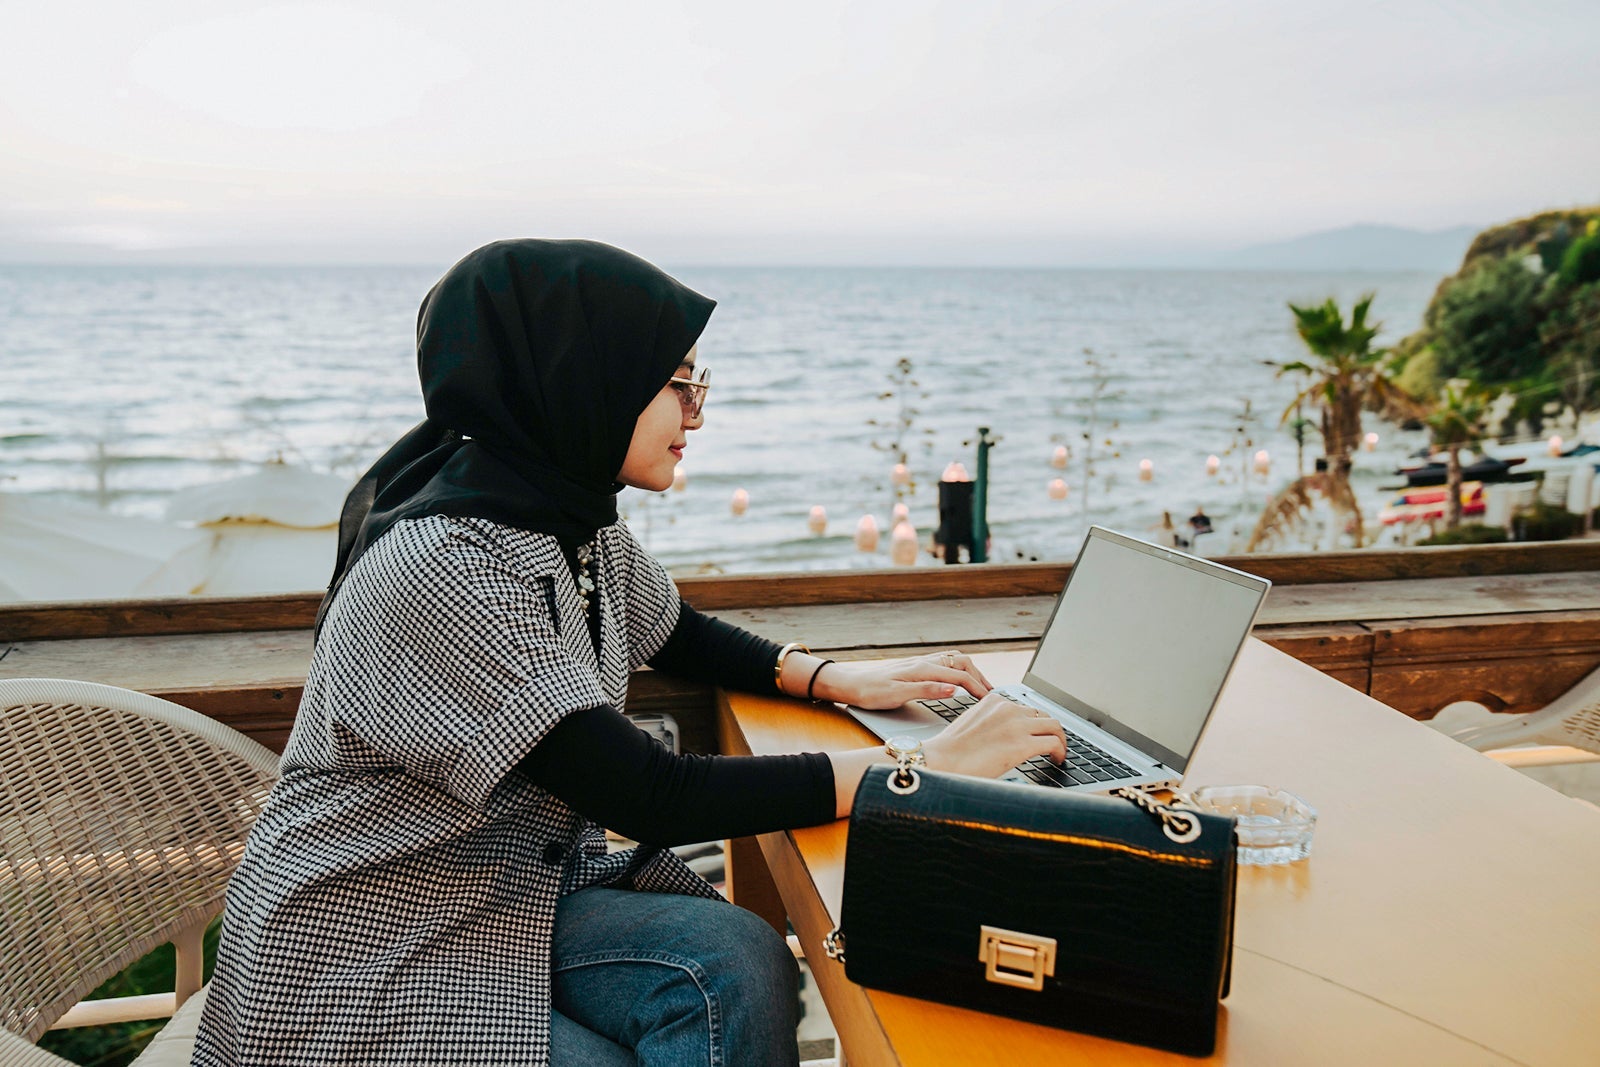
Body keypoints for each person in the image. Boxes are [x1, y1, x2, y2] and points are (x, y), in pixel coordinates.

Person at [192, 239, 1066, 1067]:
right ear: (585, 377)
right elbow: (652, 792)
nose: (696, 413)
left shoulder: (564, 513)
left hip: (506, 886)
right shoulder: (445, 567)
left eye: (697, 384)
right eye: (677, 384)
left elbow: (676, 629)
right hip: (361, 946)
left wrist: (831, 677)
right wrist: (921, 768)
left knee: (739, 958)